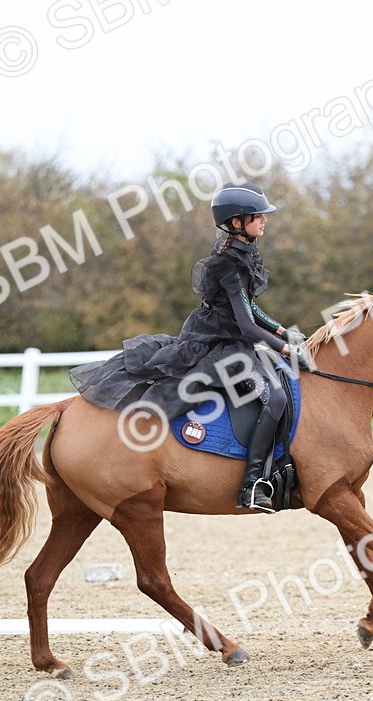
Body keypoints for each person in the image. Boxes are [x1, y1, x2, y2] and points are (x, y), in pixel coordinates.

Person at [70, 181, 304, 512]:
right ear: (237, 222)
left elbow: (251, 309)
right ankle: (251, 484)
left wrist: (282, 330)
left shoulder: (243, 256)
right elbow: (247, 325)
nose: (265, 220)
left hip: (233, 339)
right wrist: (283, 348)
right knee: (275, 396)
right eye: (258, 216)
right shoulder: (228, 265)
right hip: (222, 346)